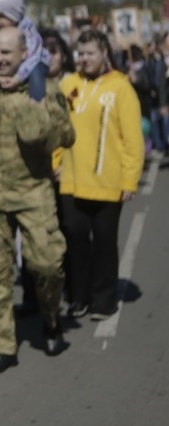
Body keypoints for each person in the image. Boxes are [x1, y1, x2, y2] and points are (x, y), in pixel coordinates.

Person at [0, 26, 74, 375]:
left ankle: (51, 319)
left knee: (48, 265)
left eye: (7, 53)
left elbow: (66, 136)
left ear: (25, 53)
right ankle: (3, 346)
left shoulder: (44, 88)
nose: (0, 59)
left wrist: (39, 119)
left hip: (34, 192)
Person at [58, 30, 145, 321]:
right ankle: (78, 297)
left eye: (90, 53)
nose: (84, 59)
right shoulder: (68, 84)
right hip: (71, 179)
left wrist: (130, 180)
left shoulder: (121, 88)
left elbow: (133, 139)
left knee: (105, 242)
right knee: (76, 240)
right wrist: (55, 161)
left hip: (109, 182)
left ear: (104, 53)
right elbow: (56, 128)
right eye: (80, 54)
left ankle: (103, 300)